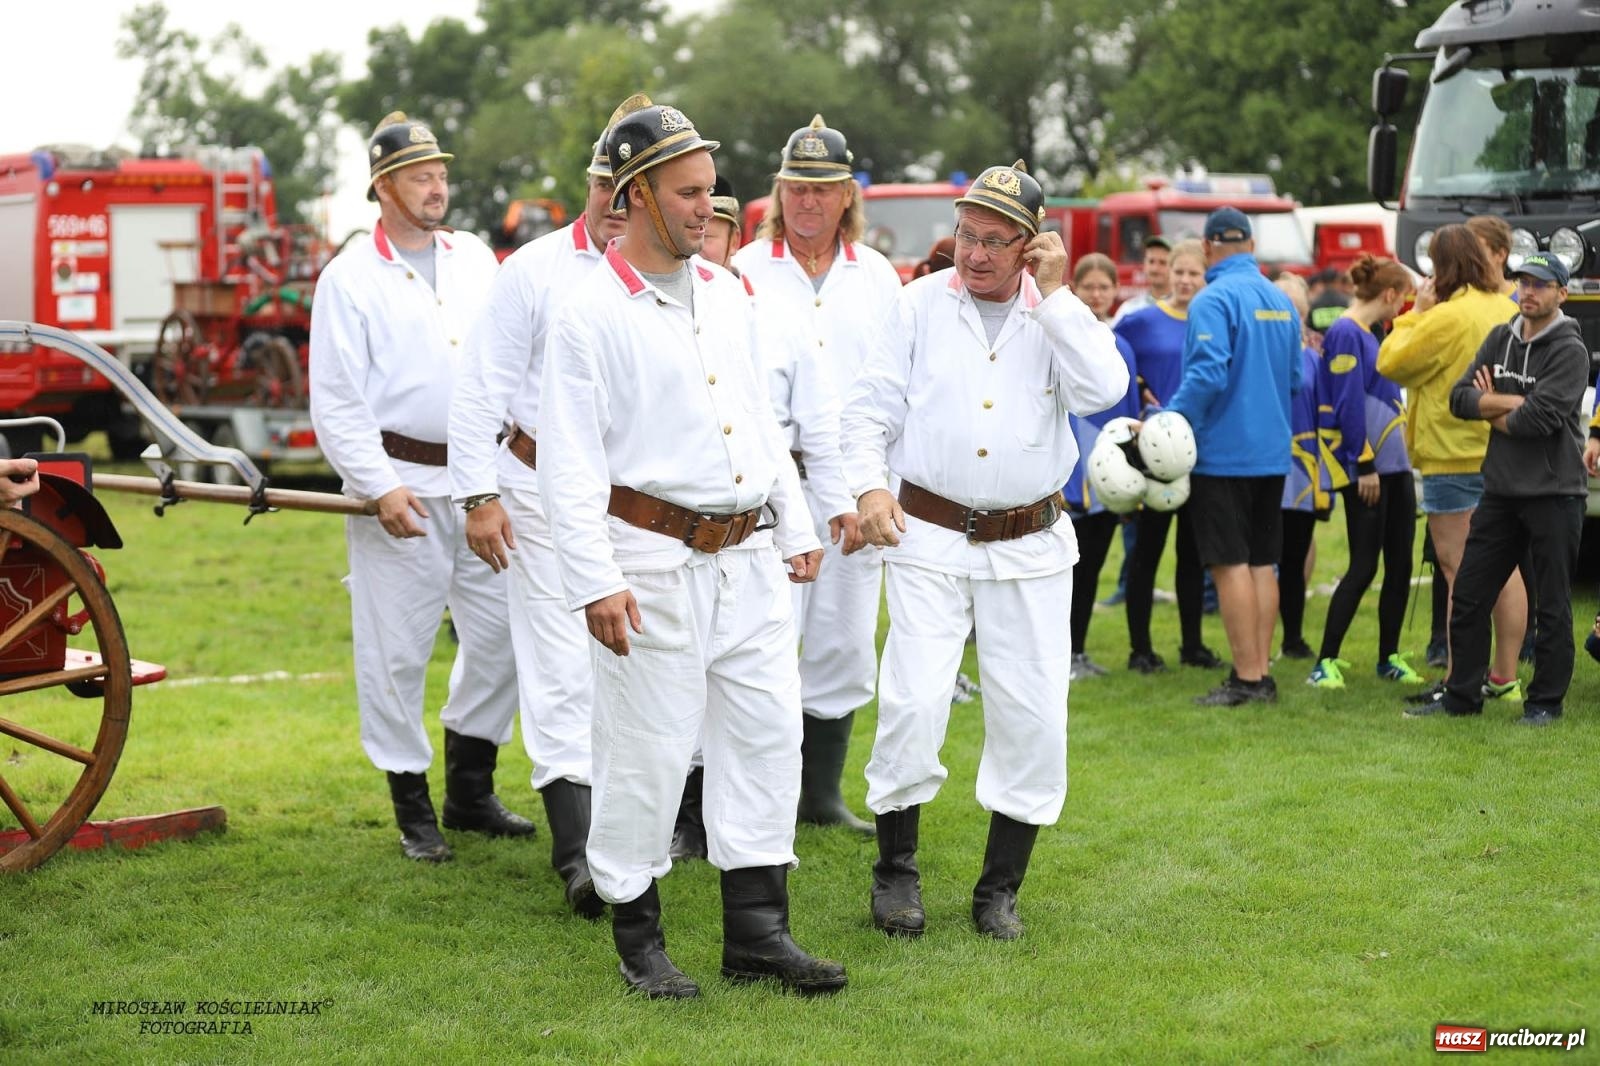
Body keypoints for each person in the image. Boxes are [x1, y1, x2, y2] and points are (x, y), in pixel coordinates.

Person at [538, 93, 845, 998]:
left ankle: (759, 934)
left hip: (749, 562)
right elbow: (568, 466)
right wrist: (594, 583)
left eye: (711, 192)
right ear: (632, 194)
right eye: (685, 193)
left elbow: (757, 420)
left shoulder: (726, 293)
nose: (706, 210)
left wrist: (793, 523)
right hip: (649, 563)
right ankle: (639, 944)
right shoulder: (588, 312)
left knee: (763, 738)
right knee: (648, 750)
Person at [843, 162, 1130, 940]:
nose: (974, 254)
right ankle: (896, 873)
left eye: (994, 241)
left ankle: (999, 888)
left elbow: (1106, 390)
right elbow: (866, 410)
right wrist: (869, 489)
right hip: (929, 534)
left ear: (1031, 247)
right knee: (912, 700)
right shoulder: (915, 306)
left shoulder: (1057, 313)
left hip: (1031, 544)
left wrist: (1061, 299)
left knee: (1033, 713)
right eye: (967, 235)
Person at [310, 112, 534, 863]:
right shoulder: (347, 278)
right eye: (419, 177)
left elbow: (513, 354)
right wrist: (377, 486)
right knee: (396, 648)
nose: (436, 187)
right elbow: (337, 399)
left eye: (440, 174)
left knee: (504, 633)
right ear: (383, 187)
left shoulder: (475, 257)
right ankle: (411, 804)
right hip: (399, 484)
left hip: (484, 479)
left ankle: (470, 788)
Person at [446, 123, 626, 913]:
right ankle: (577, 855)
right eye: (603, 187)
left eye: (631, 191)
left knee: (633, 671)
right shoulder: (535, 269)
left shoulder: (686, 276)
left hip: (639, 507)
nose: (615, 206)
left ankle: (633, 835)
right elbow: (479, 386)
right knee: (559, 671)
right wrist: (478, 496)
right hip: (539, 492)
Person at [731, 114, 901, 836]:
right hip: (773, 485)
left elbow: (895, 385)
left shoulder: (879, 276)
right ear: (778, 192)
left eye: (823, 190)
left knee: (842, 640)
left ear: (846, 196)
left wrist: (875, 489)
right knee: (757, 641)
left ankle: (821, 795)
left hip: (857, 486)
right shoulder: (742, 269)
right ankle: (743, 800)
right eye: (796, 188)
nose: (808, 203)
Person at [1408, 252, 1588, 726]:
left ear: (1561, 294)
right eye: (1524, 282)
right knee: (1468, 594)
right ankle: (1461, 695)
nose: (1529, 291)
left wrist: (1491, 405)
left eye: (1541, 284)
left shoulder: (1570, 350)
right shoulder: (1499, 337)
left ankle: (1545, 702)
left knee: (1552, 604)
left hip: (1555, 492)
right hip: (1501, 491)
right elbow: (1458, 399)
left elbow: (1541, 419)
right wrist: (1506, 401)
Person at [1376, 224, 1526, 702]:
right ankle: (1504, 676)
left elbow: (1392, 362)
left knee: (1458, 568)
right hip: (1505, 450)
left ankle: (1459, 679)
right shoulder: (1508, 307)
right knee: (1507, 568)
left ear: (1441, 267)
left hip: (1451, 453)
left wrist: (1414, 313)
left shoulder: (1446, 316)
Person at [1164, 207, 1303, 707]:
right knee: (1263, 563)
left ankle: (1246, 679)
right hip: (1271, 453)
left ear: (1207, 249)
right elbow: (1295, 379)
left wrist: (1168, 422)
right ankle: (1260, 670)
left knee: (1229, 565)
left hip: (1223, 455)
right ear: (1250, 244)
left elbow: (1207, 376)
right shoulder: (1282, 300)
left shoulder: (1212, 299)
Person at [1307, 255, 1423, 689]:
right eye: (1403, 300)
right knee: (1362, 566)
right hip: (1368, 469)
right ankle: (1325, 662)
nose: (1402, 309)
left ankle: (1388, 658)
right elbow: (1347, 404)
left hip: (1396, 467)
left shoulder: (1374, 332)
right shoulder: (1344, 332)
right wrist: (1365, 464)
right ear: (1390, 295)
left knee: (1399, 563)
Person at [1113, 238, 1218, 673]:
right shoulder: (1140, 322)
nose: (1187, 280)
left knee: (1193, 557)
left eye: (1195, 273)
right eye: (1181, 273)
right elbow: (1111, 358)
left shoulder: (1213, 321)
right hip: (1152, 456)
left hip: (1200, 454)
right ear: (1168, 274)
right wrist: (1136, 391)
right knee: (1146, 554)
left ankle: (1192, 646)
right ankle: (1140, 649)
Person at [1064, 253, 1141, 680]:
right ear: (1074, 288)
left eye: (1104, 287)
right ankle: (1057, 657)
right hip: (1066, 483)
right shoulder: (1063, 336)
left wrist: (1129, 481)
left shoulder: (1122, 345)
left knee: (1091, 570)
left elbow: (1128, 419)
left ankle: (1076, 652)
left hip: (1106, 482)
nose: (1096, 294)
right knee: (1064, 574)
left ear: (1115, 292)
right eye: (1088, 285)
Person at [1272, 273, 1326, 663]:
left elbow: (1326, 416)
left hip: (1304, 471)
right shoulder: (1259, 356)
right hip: (1265, 465)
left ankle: (1292, 637)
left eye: (1294, 305)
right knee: (1262, 557)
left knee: (1294, 556)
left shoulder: (1314, 360)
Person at [1110, 234, 1172, 324]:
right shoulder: (1130, 309)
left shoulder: (1186, 310)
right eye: (1151, 261)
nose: (1155, 268)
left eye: (1162, 263)